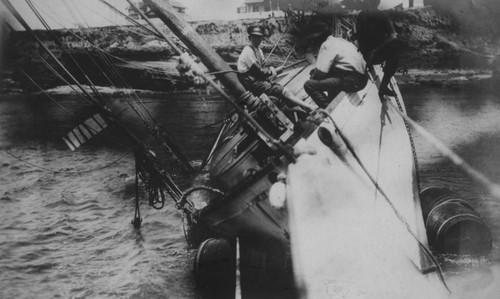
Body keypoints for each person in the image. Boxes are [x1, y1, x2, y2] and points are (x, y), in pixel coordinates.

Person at [237, 25, 316, 112]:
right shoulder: (248, 51)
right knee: (282, 90)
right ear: (249, 38)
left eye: (259, 37)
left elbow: (263, 67)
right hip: (252, 84)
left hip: (258, 80)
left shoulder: (258, 50)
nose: (257, 40)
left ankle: (295, 109)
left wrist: (271, 68)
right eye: (254, 37)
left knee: (280, 90)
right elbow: (260, 72)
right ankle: (308, 107)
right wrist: (275, 71)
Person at [303, 23, 368, 109]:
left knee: (309, 85)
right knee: (331, 76)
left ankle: (329, 109)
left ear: (317, 40)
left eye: (313, 42)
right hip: (363, 78)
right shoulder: (339, 41)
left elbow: (320, 74)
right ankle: (332, 100)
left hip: (353, 81)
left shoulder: (326, 45)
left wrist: (313, 76)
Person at [356, 0, 401, 98]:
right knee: (395, 48)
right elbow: (393, 36)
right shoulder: (383, 16)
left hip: (365, 55)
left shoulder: (361, 15)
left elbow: (358, 36)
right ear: (377, 3)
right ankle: (383, 86)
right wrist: (376, 50)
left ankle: (368, 66)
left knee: (393, 45)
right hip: (374, 55)